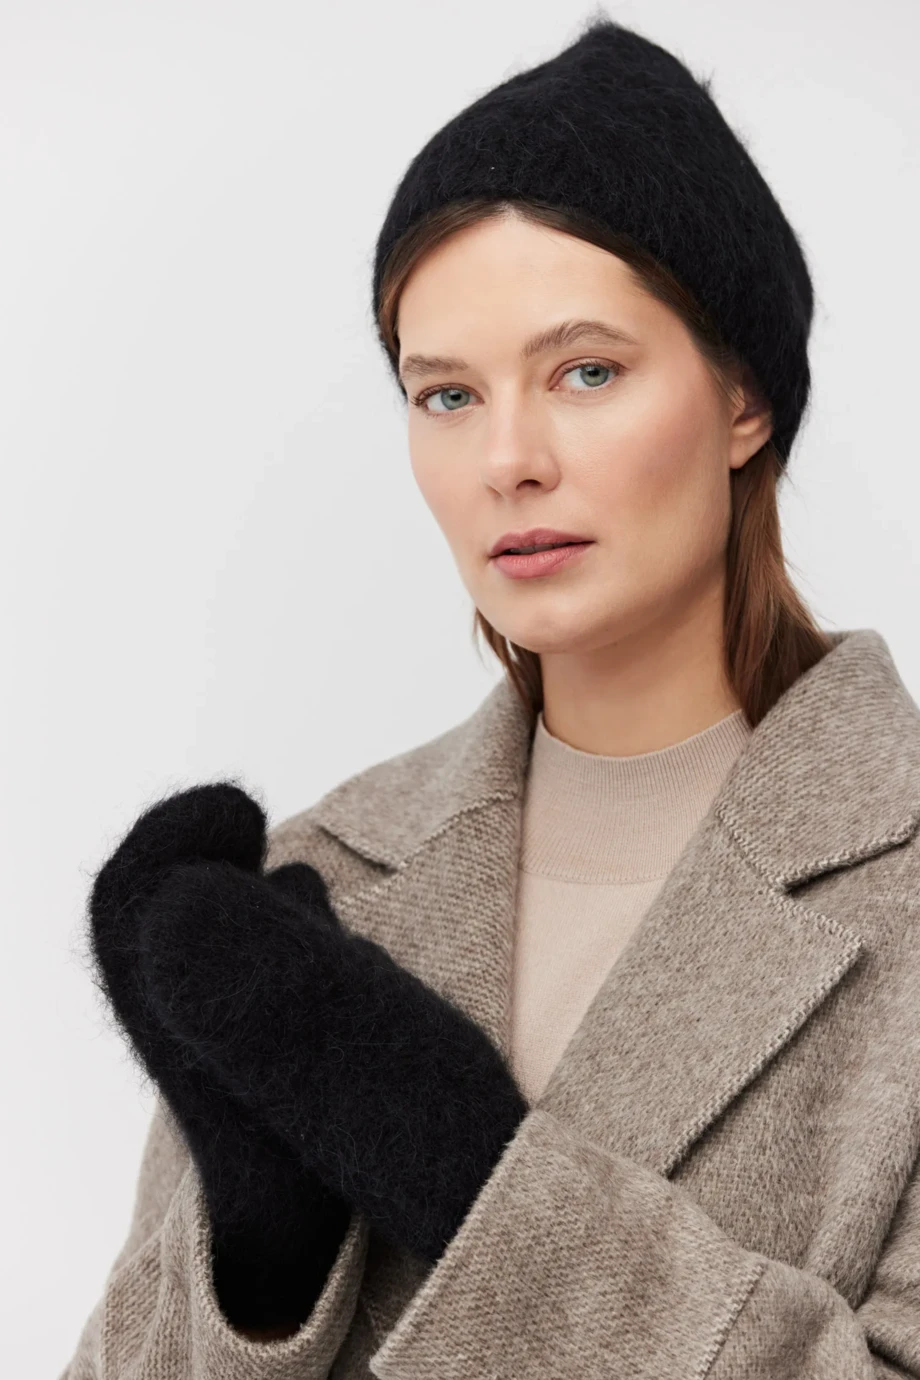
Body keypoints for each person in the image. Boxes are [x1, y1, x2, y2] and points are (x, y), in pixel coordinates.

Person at [60, 15, 920, 1380]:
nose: (506, 458)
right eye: (447, 395)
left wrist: (470, 1174)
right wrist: (262, 1259)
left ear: (744, 399)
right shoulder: (323, 884)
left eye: (587, 372)